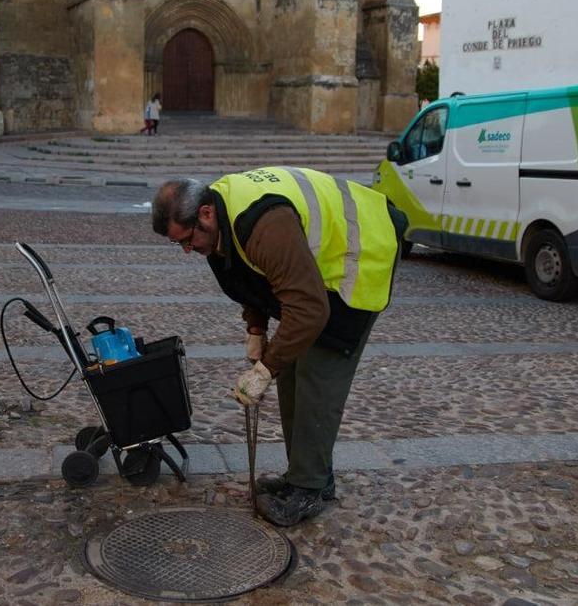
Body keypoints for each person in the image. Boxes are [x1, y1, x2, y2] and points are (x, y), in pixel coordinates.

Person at [151, 168, 407, 526]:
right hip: (313, 276)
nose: (186, 250)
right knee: (291, 372)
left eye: (187, 240)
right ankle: (303, 475)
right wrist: (256, 328)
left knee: (318, 378)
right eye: (178, 244)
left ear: (205, 213)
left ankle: (311, 489)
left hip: (360, 253)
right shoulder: (218, 221)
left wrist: (264, 369)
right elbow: (252, 277)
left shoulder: (264, 225)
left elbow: (309, 310)